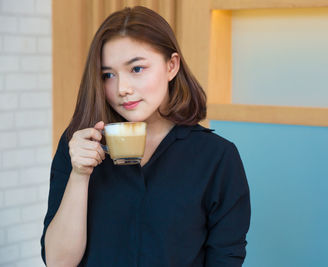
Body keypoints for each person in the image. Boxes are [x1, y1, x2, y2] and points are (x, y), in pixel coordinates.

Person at [41, 6, 250, 267]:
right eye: (108, 75)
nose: (122, 89)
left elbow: (225, 257)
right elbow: (59, 262)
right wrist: (80, 175)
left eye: (137, 69)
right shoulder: (78, 147)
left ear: (171, 66)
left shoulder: (217, 157)